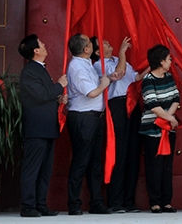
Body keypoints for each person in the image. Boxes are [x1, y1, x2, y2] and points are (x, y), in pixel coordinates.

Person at [65, 33, 123, 216]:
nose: (92, 45)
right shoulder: (77, 67)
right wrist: (105, 83)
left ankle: (96, 201)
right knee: (81, 161)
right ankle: (74, 203)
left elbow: (94, 85)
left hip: (94, 117)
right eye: (90, 43)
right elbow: (91, 92)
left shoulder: (86, 64)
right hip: (83, 118)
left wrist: (108, 79)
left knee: (94, 162)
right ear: (86, 49)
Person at [89, 36, 147, 213]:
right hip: (117, 106)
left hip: (133, 104)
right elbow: (119, 73)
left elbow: (134, 76)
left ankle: (129, 201)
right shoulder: (99, 64)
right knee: (119, 152)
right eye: (103, 43)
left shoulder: (118, 60)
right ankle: (115, 201)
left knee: (133, 152)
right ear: (98, 52)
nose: (107, 42)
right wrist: (122, 52)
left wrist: (152, 65)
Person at [17, 35, 68, 217]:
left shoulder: (40, 70)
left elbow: (44, 97)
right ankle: (28, 206)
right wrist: (59, 86)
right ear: (35, 51)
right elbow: (39, 95)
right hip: (36, 128)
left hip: (47, 127)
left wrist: (58, 99)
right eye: (41, 44)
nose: (45, 46)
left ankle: (40, 204)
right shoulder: (30, 71)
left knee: (45, 170)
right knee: (32, 168)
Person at [138, 44, 181, 214]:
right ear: (161, 61)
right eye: (169, 59)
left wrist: (169, 119)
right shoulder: (148, 80)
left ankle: (166, 201)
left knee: (167, 166)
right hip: (152, 131)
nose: (171, 62)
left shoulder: (169, 77)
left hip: (168, 129)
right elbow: (152, 104)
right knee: (154, 166)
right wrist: (170, 118)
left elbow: (176, 97)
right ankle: (155, 201)